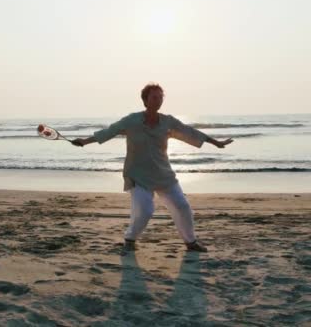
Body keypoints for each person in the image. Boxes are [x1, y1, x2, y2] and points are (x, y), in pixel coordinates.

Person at [72, 83, 233, 252]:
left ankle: (191, 242)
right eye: (155, 97)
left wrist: (216, 143)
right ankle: (130, 239)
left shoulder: (167, 121)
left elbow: (189, 131)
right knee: (145, 210)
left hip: (164, 174)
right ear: (145, 100)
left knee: (183, 206)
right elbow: (109, 131)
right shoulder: (131, 120)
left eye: (161, 97)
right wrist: (83, 141)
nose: (159, 100)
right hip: (138, 174)